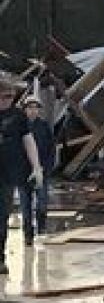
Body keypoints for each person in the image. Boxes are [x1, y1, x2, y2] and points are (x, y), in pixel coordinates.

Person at [0, 77, 44, 275]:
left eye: (11, 96)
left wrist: (36, 167)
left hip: (8, 174)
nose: (8, 99)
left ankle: (0, 258)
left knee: (2, 217)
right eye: (4, 96)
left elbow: (29, 141)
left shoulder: (18, 117)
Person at [18, 96, 55, 244]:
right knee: (25, 205)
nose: (33, 111)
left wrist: (47, 168)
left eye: (35, 108)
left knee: (42, 203)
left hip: (41, 171)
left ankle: (41, 229)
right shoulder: (19, 127)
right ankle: (27, 234)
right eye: (30, 108)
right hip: (23, 173)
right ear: (25, 109)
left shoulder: (44, 126)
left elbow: (51, 149)